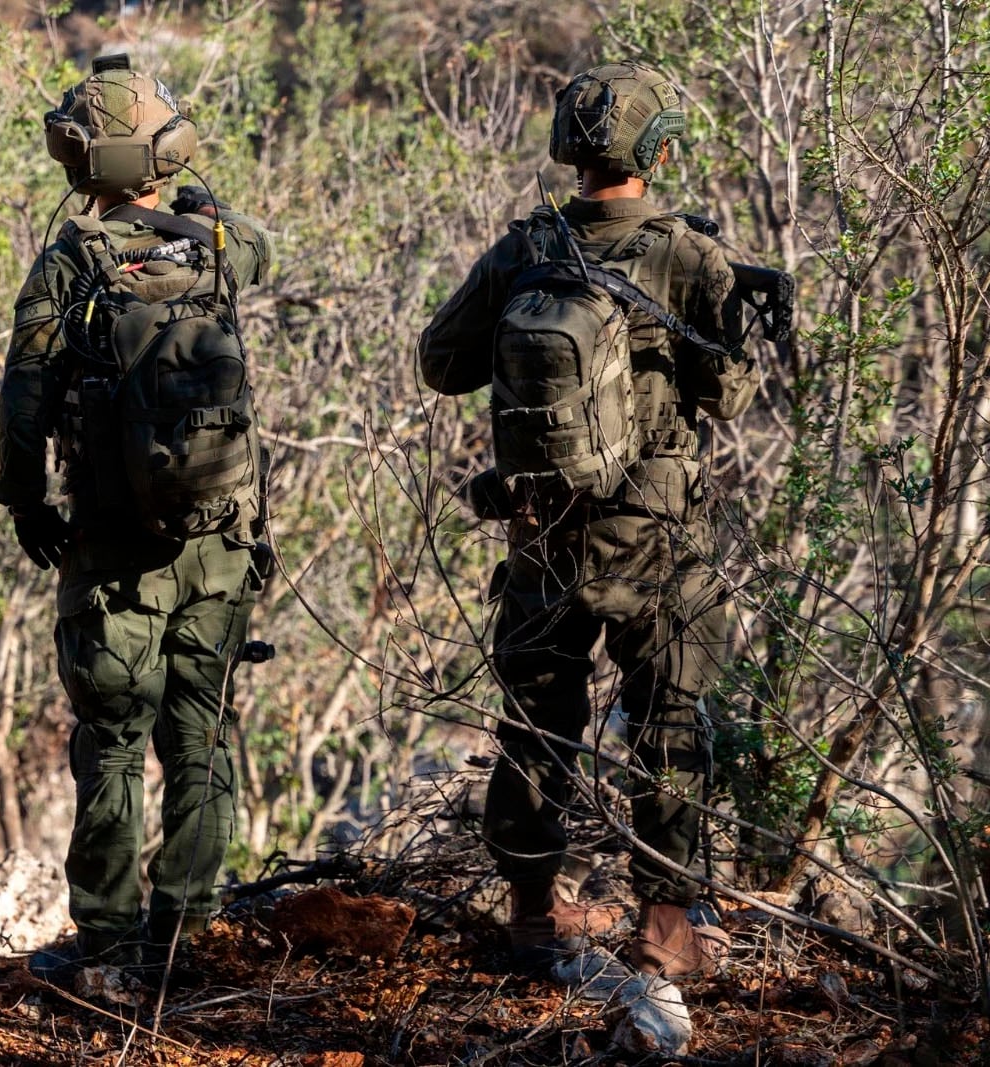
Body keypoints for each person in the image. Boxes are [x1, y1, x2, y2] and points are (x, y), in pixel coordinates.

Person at [418, 61, 757, 979]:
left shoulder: (525, 248)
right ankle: (666, 928)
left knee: (536, 721)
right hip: (652, 538)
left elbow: (440, 364)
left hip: (541, 533)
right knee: (669, 724)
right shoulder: (689, 255)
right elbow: (728, 396)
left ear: (571, 148)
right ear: (656, 148)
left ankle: (534, 913)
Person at [0, 54, 273, 974]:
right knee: (201, 734)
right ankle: (186, 933)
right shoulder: (217, 240)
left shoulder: (70, 260)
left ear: (83, 161)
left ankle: (109, 945)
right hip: (219, 543)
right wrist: (197, 208)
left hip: (113, 548)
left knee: (112, 744)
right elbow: (262, 251)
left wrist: (27, 500)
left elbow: (24, 393)